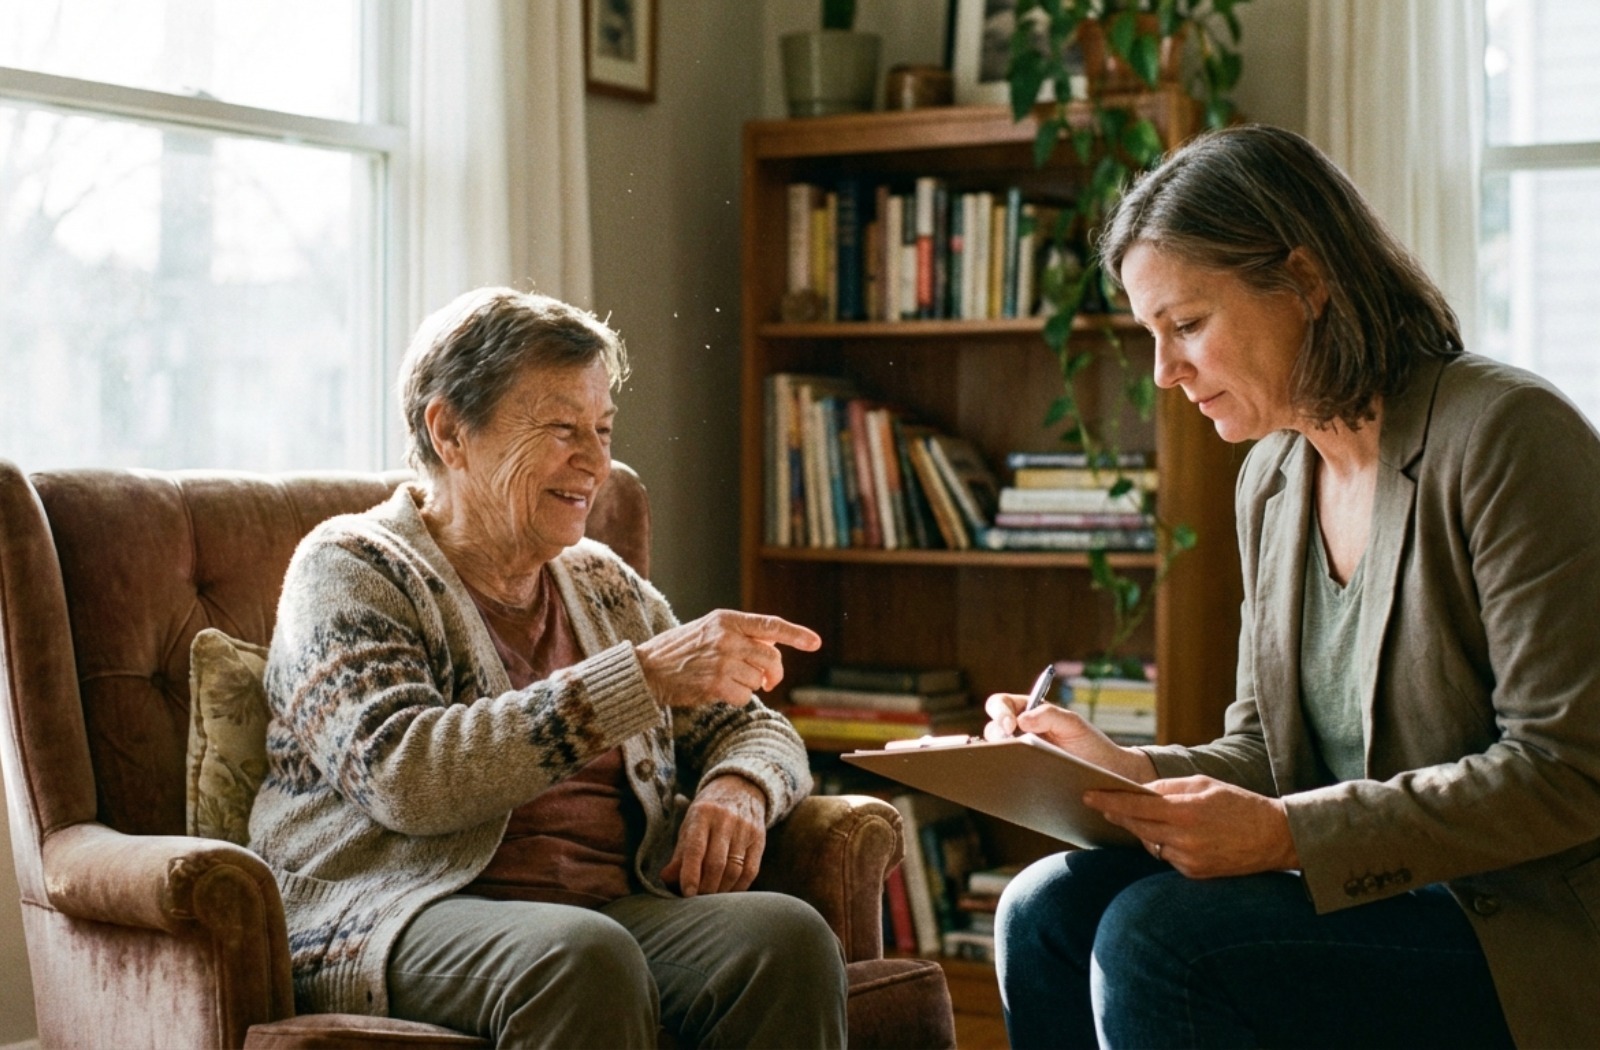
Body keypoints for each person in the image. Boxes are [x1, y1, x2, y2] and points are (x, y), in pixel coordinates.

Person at [984, 125, 1600, 1049]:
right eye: (1152, 336)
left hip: (1517, 928)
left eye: (1187, 326)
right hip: (1373, 901)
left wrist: (1285, 839)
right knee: (1044, 912)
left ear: (1306, 283)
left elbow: (1567, 773)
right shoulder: (1272, 479)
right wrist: (1123, 772)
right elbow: (1268, 754)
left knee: (1161, 941)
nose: (1165, 373)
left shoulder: (1508, 435)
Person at [248, 287, 847, 1047]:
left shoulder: (600, 581)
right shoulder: (350, 568)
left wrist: (742, 784)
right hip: (397, 913)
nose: (597, 463)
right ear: (451, 431)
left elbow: (757, 731)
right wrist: (645, 678)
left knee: (784, 939)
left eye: (602, 429)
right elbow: (405, 776)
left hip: (603, 912)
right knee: (581, 957)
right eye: (563, 429)